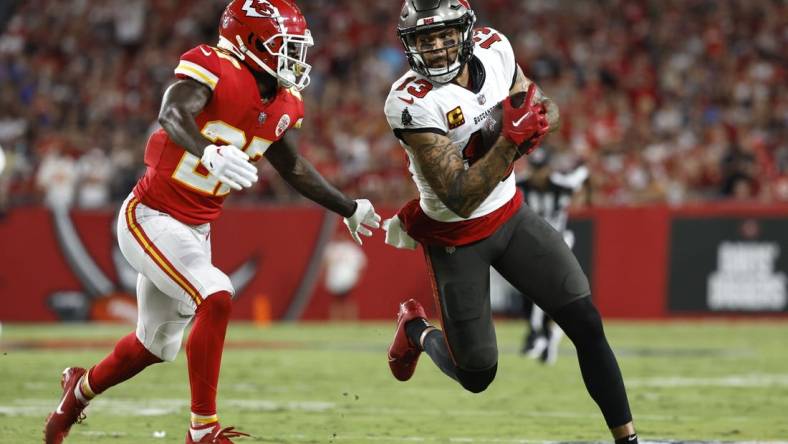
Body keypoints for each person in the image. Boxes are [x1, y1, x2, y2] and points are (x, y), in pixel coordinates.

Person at [44, 1, 380, 443]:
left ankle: (78, 392)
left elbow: (293, 167)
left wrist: (347, 207)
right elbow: (172, 113)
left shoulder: (281, 101)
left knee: (154, 346)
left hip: (194, 230)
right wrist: (207, 150)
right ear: (251, 41)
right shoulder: (214, 66)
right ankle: (202, 430)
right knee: (216, 292)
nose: (295, 58)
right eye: (286, 46)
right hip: (150, 216)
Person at [381, 1, 638, 442]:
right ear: (411, 45)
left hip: (511, 213)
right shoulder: (410, 102)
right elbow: (460, 196)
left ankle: (627, 439)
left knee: (586, 323)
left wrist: (535, 122)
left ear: (465, 32)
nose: (438, 48)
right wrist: (510, 140)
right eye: (426, 39)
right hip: (455, 236)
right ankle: (416, 331)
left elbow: (544, 108)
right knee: (478, 374)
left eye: (445, 35)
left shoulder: (494, 48)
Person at [517, 147, 589, 365]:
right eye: (534, 169)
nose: (537, 174)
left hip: (558, 245)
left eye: (541, 169)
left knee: (546, 293)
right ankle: (545, 334)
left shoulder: (562, 183)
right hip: (531, 247)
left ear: (549, 169)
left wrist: (584, 196)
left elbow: (584, 173)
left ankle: (537, 334)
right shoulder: (520, 184)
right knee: (533, 294)